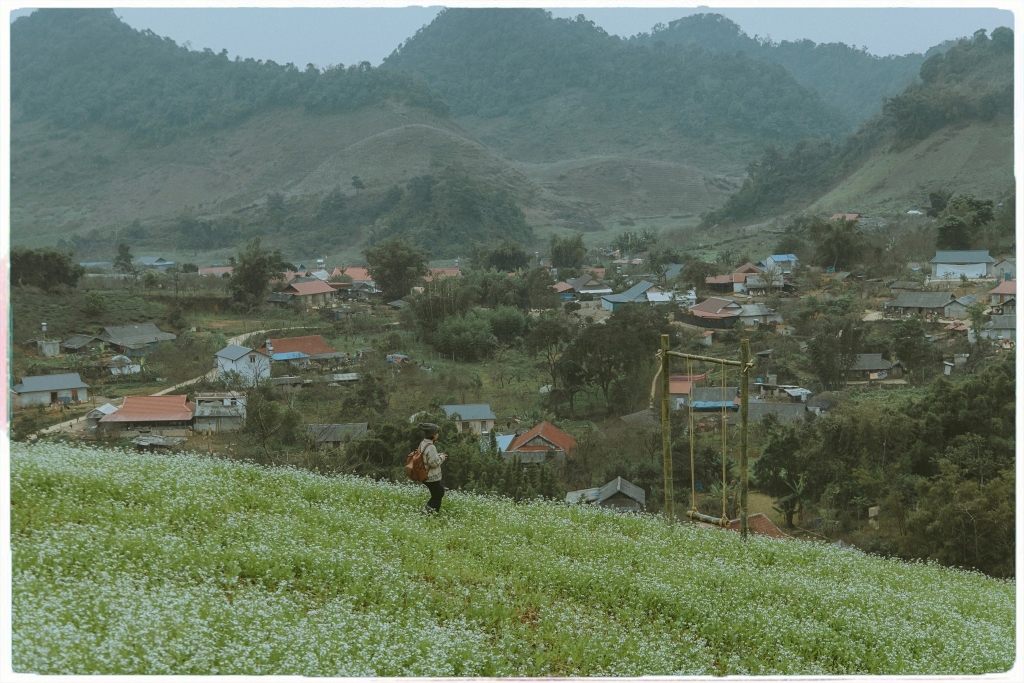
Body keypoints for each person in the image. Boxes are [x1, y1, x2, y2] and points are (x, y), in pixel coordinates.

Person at [418, 423, 447, 514]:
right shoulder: (431, 447)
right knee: (438, 494)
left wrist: (438, 455)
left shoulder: (423, 443)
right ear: (433, 435)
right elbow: (434, 463)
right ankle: (430, 512)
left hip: (424, 474)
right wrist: (442, 457)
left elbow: (426, 458)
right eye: (437, 433)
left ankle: (428, 510)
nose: (438, 434)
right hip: (431, 476)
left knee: (439, 492)